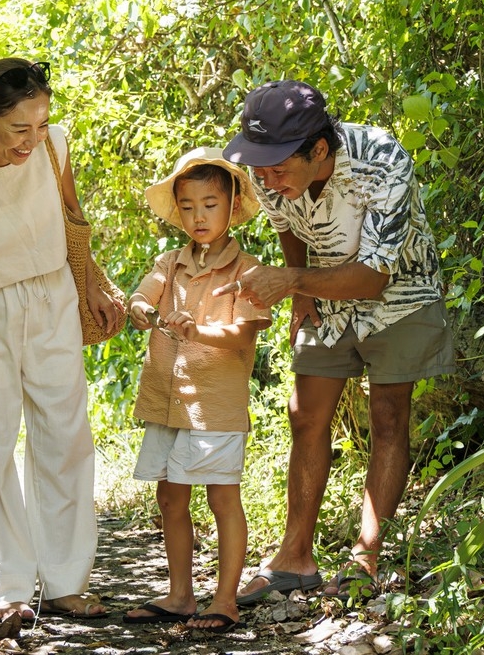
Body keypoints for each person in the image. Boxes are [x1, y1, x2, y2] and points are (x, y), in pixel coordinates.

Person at [218, 80, 455, 604]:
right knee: (304, 413)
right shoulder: (270, 170)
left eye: (279, 170)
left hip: (401, 294)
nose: (267, 180)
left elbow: (374, 277)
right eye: (260, 170)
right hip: (323, 289)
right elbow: (287, 226)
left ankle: (366, 558)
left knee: (388, 416)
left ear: (319, 150)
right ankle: (294, 558)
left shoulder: (382, 159)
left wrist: (291, 282)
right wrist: (300, 285)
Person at [0, 58, 123, 632]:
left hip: (54, 297)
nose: (33, 140)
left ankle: (64, 583)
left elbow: (72, 218)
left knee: (65, 435)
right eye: (19, 130)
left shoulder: (54, 147)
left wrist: (92, 288)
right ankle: (3, 588)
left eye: (41, 124)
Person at [120, 148, 272, 633]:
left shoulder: (247, 270)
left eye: (210, 204)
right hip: (168, 402)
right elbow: (143, 294)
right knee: (170, 497)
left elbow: (245, 334)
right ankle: (181, 594)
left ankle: (224, 599)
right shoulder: (171, 262)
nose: (198, 216)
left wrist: (197, 332)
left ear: (232, 205)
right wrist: (141, 308)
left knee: (223, 498)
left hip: (214, 407)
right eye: (187, 206)